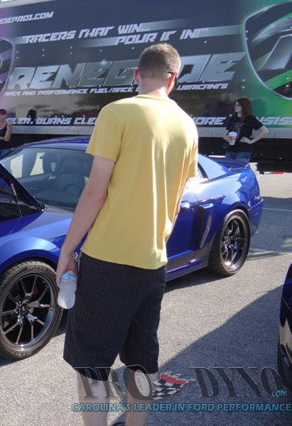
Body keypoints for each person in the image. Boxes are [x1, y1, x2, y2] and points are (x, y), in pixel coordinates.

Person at [56, 44, 198, 426]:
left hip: (107, 259)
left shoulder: (117, 112)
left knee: (91, 364)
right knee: (142, 360)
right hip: (153, 261)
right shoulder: (187, 125)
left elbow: (95, 192)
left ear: (136, 74)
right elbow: (175, 204)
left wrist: (67, 250)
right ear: (173, 78)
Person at [222, 98, 268, 162]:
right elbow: (224, 134)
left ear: (244, 106)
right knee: (228, 167)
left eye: (238, 105)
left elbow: (265, 131)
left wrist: (251, 141)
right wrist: (227, 138)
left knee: (240, 167)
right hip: (230, 149)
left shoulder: (250, 119)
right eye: (235, 105)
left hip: (243, 150)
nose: (236, 107)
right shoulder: (233, 118)